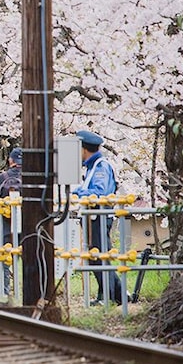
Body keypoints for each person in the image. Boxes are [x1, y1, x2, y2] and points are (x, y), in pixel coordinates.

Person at [71, 129, 124, 305]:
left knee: (100, 256)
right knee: (97, 257)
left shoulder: (101, 166)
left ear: (83, 149)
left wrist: (78, 192)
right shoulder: (92, 167)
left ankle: (110, 296)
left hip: (99, 216)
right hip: (92, 216)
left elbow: (99, 192)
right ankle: (116, 295)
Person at [0, 147, 22, 295]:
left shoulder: (3, 177)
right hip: (27, 223)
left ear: (10, 160)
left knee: (4, 254)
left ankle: (3, 290)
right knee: (28, 254)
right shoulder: (31, 176)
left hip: (7, 221)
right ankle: (34, 290)